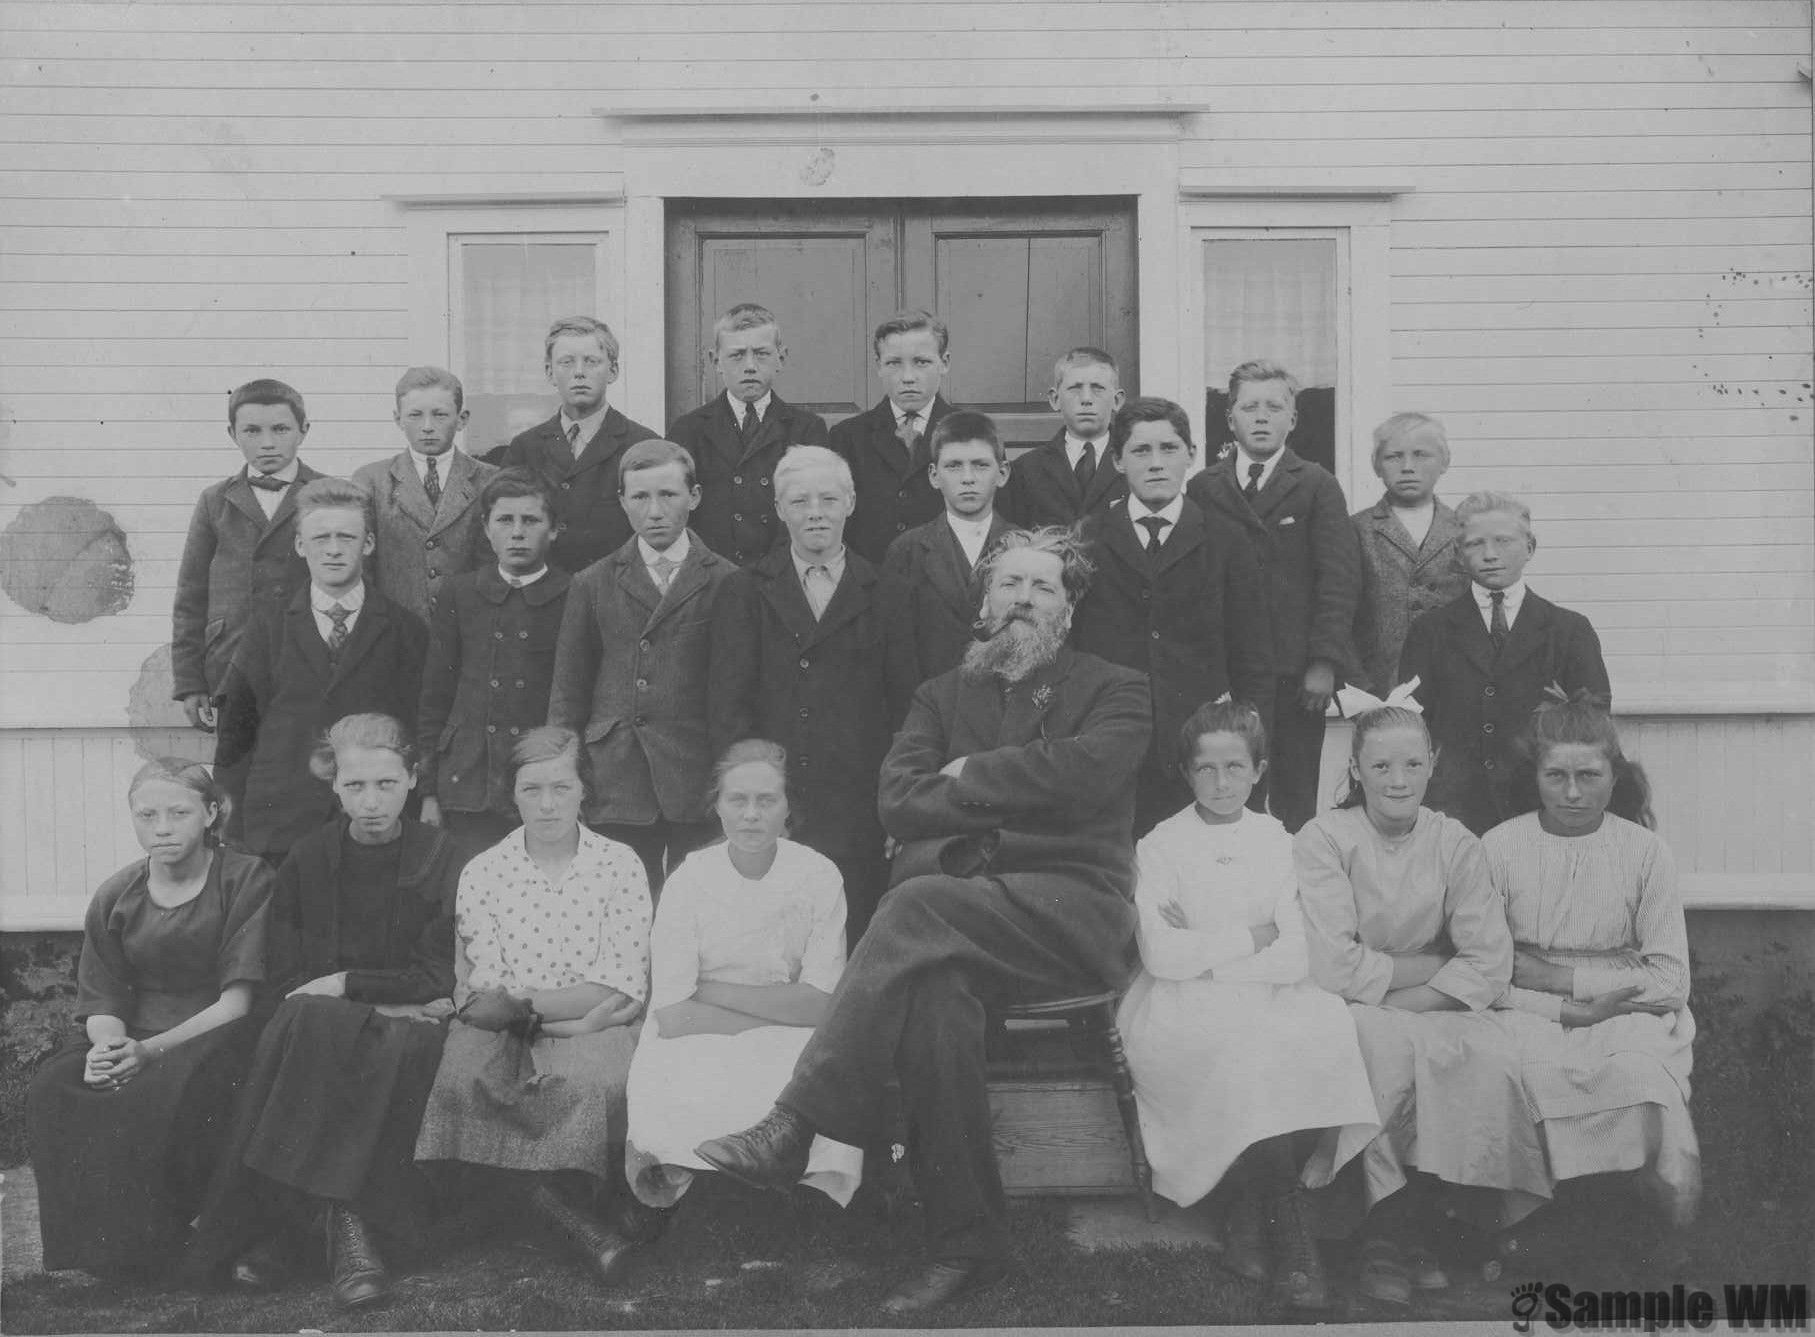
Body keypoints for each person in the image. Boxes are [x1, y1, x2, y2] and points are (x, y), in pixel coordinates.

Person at [695, 527, 1152, 1316]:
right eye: (1008, 584)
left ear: (1069, 610)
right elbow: (898, 797)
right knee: (934, 999)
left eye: (1042, 587)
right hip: (955, 918)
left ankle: (797, 1121)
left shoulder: (1115, 687)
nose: (1022, 600)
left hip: (1068, 913)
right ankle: (966, 1245)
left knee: (911, 902)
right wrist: (1019, 802)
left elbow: (1087, 773)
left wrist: (971, 776)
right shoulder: (942, 694)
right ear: (982, 601)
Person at [184, 714, 461, 1310]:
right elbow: (286, 978)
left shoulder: (442, 856)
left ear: (413, 779)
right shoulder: (308, 858)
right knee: (310, 1023)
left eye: (387, 784)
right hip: (344, 1018)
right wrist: (373, 994)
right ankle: (347, 1231)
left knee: (339, 1032)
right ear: (334, 787)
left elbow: (440, 978)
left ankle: (291, 1232)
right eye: (355, 786)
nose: (370, 801)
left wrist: (342, 983)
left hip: (408, 1033)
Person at [1116, 702, 1376, 1309]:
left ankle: (1248, 1218)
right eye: (1206, 769)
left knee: (1302, 1031)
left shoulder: (1281, 842)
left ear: (1259, 770)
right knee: (1236, 1043)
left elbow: (1294, 954)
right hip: (1179, 1002)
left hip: (1269, 992)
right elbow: (1160, 955)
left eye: (1236, 767)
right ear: (1185, 772)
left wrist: (1207, 947)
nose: (1222, 781)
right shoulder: (1161, 846)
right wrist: (1247, 936)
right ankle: (1290, 1237)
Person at [1294, 705, 1542, 1306]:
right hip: (1353, 1002)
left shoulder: (1454, 842)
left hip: (1431, 1001)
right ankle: (1387, 1232)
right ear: (1356, 768)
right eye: (1380, 765)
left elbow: (1488, 959)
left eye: (1411, 763)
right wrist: (1430, 967)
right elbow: (1335, 965)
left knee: (1485, 1052)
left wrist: (1420, 992)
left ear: (1433, 764)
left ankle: (1438, 1218)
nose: (1397, 780)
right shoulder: (1325, 839)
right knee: (1380, 1048)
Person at [415, 727, 655, 1286]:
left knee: (589, 1085)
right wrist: (562, 1020)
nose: (547, 804)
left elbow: (617, 980)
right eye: (531, 790)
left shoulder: (619, 865)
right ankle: (565, 1219)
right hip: (511, 1025)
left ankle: (532, 1204)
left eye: (561, 788)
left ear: (584, 792)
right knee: (463, 1081)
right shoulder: (483, 871)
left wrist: (562, 1022)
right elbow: (487, 988)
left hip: (598, 1024)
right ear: (512, 795)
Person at [27, 759, 272, 1278]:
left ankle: (179, 1247)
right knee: (57, 1086)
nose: (161, 828)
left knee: (168, 1091)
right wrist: (107, 1049)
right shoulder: (118, 892)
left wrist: (148, 1053)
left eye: (178, 813)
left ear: (210, 813)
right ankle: (102, 1251)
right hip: (133, 1034)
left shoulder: (246, 878)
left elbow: (238, 1002)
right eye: (147, 815)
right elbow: (103, 995)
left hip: (216, 1032)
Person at [1484, 695, 1700, 1228]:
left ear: (1614, 776)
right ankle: (1538, 1228)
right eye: (1556, 775)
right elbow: (1484, 970)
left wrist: (1564, 978)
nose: (1573, 792)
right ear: (1534, 775)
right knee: (1527, 1072)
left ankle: (1640, 1220)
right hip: (1528, 1008)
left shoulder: (1646, 852)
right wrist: (1543, 994)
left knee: (1638, 1073)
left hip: (1629, 1007)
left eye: (1589, 774)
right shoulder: (1499, 847)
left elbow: (1671, 982)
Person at [625, 739, 861, 1211]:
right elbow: (672, 1015)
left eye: (766, 800)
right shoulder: (690, 880)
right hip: (696, 1030)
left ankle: (798, 1205)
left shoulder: (818, 876)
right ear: (717, 806)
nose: (751, 814)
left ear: (788, 807)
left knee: (802, 1072)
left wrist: (713, 991)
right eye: (738, 800)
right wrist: (778, 1011)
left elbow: (820, 1002)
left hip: (773, 1026)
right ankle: (698, 1197)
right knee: (679, 1071)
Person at [708, 445, 915, 943]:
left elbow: (907, 708)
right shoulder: (745, 590)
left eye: (828, 499)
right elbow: (728, 708)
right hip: (778, 805)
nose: (816, 513)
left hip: (859, 809)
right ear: (779, 510)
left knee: (853, 942)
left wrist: (898, 808)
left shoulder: (887, 589)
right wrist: (749, 805)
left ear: (851, 503)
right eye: (800, 501)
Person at [1072, 397, 1275, 834]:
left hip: (1198, 747)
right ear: (1117, 461)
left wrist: (1249, 732)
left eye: (1169, 448)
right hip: (1111, 740)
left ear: (1191, 456)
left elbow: (1252, 651)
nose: (1157, 463)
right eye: (1141, 451)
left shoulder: (1227, 539)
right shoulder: (1088, 539)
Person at [549, 440, 734, 891]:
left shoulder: (726, 580)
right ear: (621, 503)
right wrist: (565, 774)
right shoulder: (593, 582)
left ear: (694, 497)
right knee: (620, 902)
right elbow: (568, 691)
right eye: (639, 497)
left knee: (697, 903)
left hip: (695, 774)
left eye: (668, 495)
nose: (655, 511)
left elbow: (736, 691)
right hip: (616, 774)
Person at [214, 477, 429, 862]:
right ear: (300, 545)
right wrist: (232, 822)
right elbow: (235, 731)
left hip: (374, 826)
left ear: (368, 544)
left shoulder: (405, 631)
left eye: (346, 538)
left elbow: (421, 727)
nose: (333, 550)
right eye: (320, 538)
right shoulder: (268, 626)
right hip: (281, 823)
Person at [1186, 360, 1361, 832]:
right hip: (1233, 669)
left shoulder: (1316, 485)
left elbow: (1339, 580)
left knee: (1294, 793)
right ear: (1230, 419)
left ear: (1293, 419)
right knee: (1232, 786)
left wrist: (1323, 662)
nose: (1261, 417)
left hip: (1295, 674)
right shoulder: (1204, 487)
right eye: (1249, 407)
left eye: (1274, 407)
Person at [1400, 491, 1612, 835]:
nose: (1490, 555)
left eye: (1503, 541)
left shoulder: (1569, 630)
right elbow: (1412, 725)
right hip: (1455, 806)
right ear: (1457, 555)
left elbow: (1594, 723)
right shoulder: (1430, 631)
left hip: (1540, 804)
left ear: (1530, 548)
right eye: (1474, 544)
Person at [170, 379, 322, 829]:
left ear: (304, 430)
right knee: (237, 786)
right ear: (232, 434)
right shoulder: (215, 501)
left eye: (280, 429)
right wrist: (191, 681)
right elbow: (191, 594)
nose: (268, 443)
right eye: (252, 431)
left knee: (307, 779)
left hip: (306, 663)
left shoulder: (327, 493)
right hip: (232, 664)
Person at [416, 468, 573, 864]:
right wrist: (430, 791)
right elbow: (435, 695)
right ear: (486, 529)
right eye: (505, 521)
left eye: (531, 521)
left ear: (553, 530)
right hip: (469, 777)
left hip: (540, 778)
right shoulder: (461, 592)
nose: (517, 533)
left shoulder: (575, 593)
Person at [668, 302, 830, 566]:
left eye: (762, 354)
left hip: (783, 574)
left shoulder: (806, 429)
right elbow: (677, 510)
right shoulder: (689, 429)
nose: (750, 366)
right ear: (715, 361)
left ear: (782, 358)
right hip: (713, 576)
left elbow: (815, 508)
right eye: (737, 355)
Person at [501, 316, 659, 574]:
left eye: (591, 361)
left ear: (613, 371)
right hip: (541, 596)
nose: (579, 372)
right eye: (566, 362)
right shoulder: (525, 448)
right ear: (550, 372)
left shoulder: (642, 444)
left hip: (614, 592)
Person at [352, 366, 499, 623]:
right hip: (395, 633)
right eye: (415, 415)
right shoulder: (372, 481)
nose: (427, 426)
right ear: (398, 419)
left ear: (462, 418)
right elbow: (363, 567)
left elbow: (495, 565)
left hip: (470, 630)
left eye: (440, 415)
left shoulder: (490, 480)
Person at [881, 409, 1014, 686]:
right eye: (953, 466)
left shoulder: (1025, 548)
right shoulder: (907, 551)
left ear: (1002, 473)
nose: (968, 478)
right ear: (933, 475)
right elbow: (899, 655)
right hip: (932, 711)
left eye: (980, 465)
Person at [1349, 413, 1467, 696]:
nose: (1408, 467)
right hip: (1381, 686)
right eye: (1393, 457)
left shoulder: (1465, 529)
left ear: (1445, 462)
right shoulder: (1354, 529)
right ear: (1376, 465)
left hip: (1454, 684)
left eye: (1421, 455)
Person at [830, 309, 954, 564]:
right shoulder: (848, 437)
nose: (908, 377)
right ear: (878, 366)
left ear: (945, 362)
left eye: (921, 362)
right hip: (870, 584)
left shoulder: (967, 432)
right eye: (894, 363)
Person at [997, 347, 1128, 528]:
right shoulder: (1026, 469)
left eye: (1098, 388)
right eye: (1075, 388)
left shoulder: (1133, 463)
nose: (1086, 399)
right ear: (1055, 399)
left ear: (1117, 400)